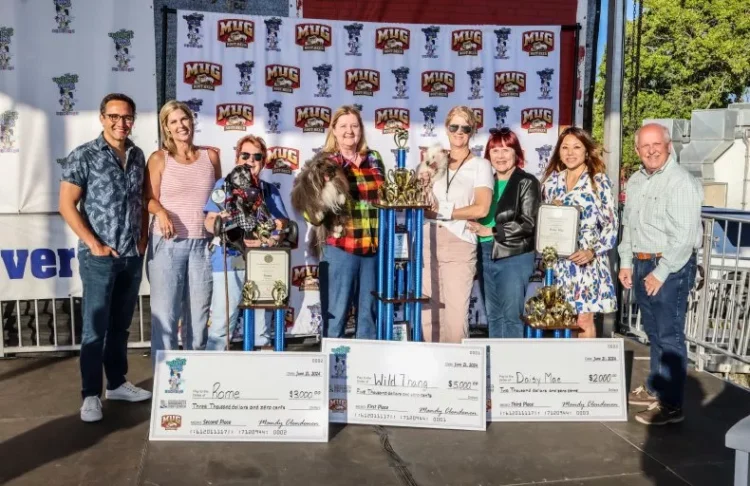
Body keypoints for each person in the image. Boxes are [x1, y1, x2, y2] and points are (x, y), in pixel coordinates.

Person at [58, 93, 152, 423]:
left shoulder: (138, 156)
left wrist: (142, 238)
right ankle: (90, 395)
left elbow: (143, 199)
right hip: (98, 257)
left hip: (130, 255)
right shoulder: (84, 155)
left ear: (133, 120)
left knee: (120, 326)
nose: (120, 122)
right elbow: (66, 204)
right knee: (95, 329)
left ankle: (116, 383)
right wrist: (93, 243)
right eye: (114, 116)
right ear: (102, 118)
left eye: (126, 117)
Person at [619, 123, 703, 425]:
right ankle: (657, 387)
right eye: (645, 146)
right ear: (638, 150)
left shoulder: (681, 182)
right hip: (642, 262)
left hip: (670, 266)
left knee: (669, 335)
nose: (651, 150)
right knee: (653, 333)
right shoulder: (637, 181)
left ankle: (671, 405)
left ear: (668, 146)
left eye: (657, 144)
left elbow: (684, 236)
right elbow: (629, 225)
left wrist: (661, 272)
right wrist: (626, 261)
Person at [145, 100, 221, 362]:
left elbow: (218, 199)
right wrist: (161, 212)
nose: (181, 125)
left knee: (198, 318)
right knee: (165, 318)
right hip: (168, 245)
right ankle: (165, 385)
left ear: (192, 121)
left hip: (203, 247)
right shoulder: (159, 158)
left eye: (184, 119)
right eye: (173, 121)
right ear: (166, 127)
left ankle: (195, 382)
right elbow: (148, 198)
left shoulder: (210, 157)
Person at [203, 135, 290, 350]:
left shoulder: (270, 190)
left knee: (261, 327)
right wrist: (219, 223)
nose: (251, 160)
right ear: (237, 157)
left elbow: (283, 224)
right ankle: (213, 373)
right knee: (223, 322)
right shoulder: (223, 185)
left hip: (262, 261)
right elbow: (209, 221)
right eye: (246, 155)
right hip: (229, 258)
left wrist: (271, 235)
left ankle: (262, 374)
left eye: (257, 157)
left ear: (263, 162)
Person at [422, 106, 494, 343]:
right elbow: (421, 204)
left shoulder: (481, 165)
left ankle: (456, 373)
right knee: (428, 313)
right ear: (446, 128)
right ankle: (433, 372)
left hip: (459, 242)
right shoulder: (432, 160)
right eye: (454, 126)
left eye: (465, 127)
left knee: (455, 316)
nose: (459, 132)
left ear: (473, 131)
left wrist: (444, 211)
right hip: (428, 240)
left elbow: (481, 208)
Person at [541, 126, 618, 338]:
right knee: (563, 320)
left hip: (587, 263)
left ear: (587, 151)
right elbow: (544, 223)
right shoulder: (551, 183)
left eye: (576, 147)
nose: (570, 152)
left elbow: (611, 226)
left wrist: (592, 252)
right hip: (559, 264)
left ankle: (586, 370)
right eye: (564, 147)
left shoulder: (598, 181)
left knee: (583, 320)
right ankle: (566, 369)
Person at [318, 105, 385, 339]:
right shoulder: (325, 162)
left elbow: (384, 197)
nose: (349, 131)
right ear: (333, 130)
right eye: (344, 126)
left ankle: (365, 371)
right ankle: (330, 368)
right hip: (340, 246)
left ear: (361, 130)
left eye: (354, 126)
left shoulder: (374, 159)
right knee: (336, 312)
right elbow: (314, 207)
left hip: (373, 248)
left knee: (369, 315)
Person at [467, 128, 540, 338]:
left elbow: (528, 223)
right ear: (488, 154)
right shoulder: (483, 182)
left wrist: (490, 230)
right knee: (493, 316)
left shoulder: (527, 182)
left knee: (511, 316)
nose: (500, 156)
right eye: (495, 150)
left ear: (517, 153)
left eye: (506, 150)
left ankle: (511, 368)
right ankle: (493, 366)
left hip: (514, 255)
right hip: (484, 251)